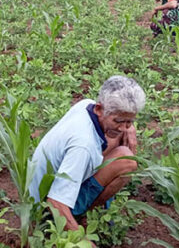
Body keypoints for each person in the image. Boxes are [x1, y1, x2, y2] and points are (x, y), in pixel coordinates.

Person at [28, 76, 145, 237]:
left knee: (117, 137)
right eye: (119, 120)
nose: (124, 128)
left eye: (129, 121)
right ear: (99, 109)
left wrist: (127, 126)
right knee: (127, 161)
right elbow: (55, 202)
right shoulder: (83, 146)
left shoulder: (85, 105)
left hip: (43, 182)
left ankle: (88, 210)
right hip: (45, 204)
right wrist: (82, 241)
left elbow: (119, 123)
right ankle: (84, 215)